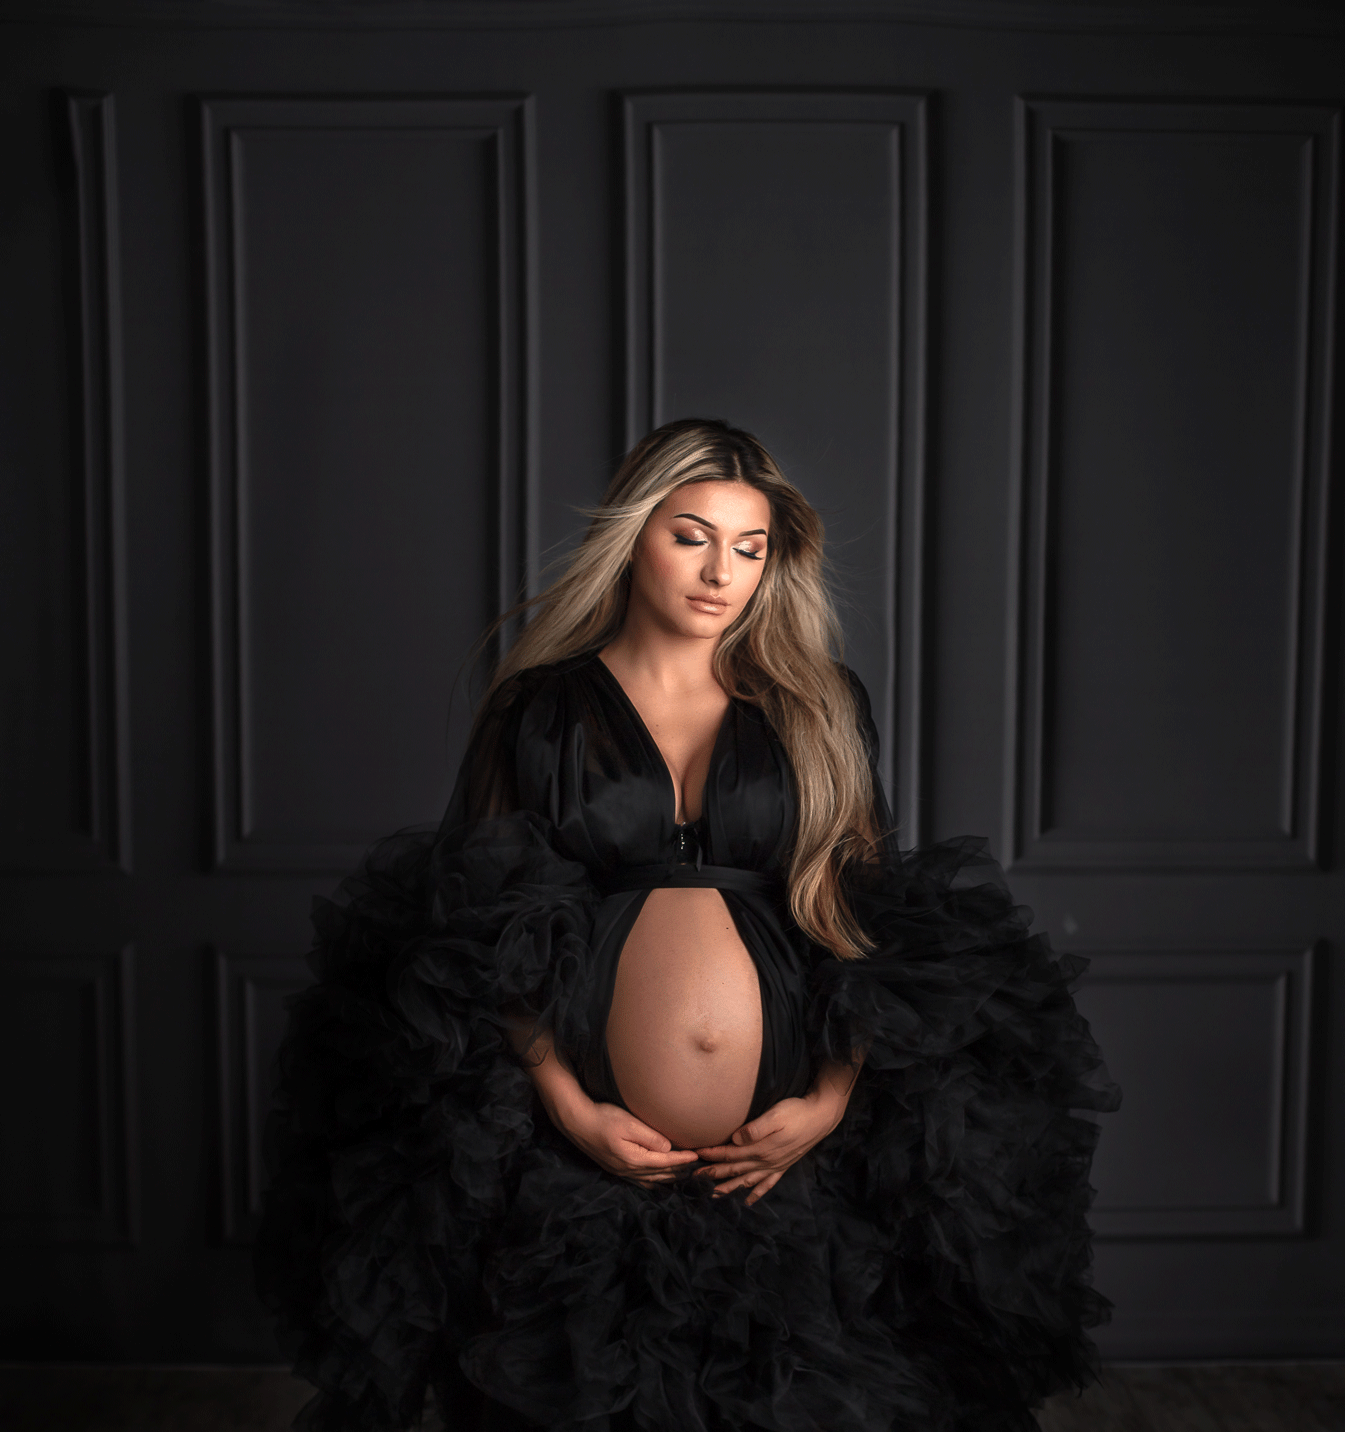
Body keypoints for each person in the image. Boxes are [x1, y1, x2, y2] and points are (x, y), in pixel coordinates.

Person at [256, 418, 1120, 1432]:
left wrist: (830, 1101)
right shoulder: (538, 709)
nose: (722, 572)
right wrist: (571, 1103)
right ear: (633, 536)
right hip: (578, 1151)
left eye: (750, 548)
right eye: (691, 536)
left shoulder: (817, 705)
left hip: (786, 1155)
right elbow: (475, 930)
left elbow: (874, 921)